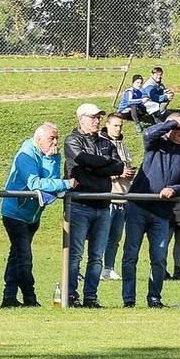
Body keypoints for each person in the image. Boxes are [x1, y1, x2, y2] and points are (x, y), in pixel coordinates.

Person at [121, 112, 180, 307]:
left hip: (162, 213)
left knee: (159, 258)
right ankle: (129, 299)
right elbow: (147, 134)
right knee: (131, 255)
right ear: (169, 128)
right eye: (178, 128)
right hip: (138, 207)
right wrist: (171, 122)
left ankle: (155, 298)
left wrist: (174, 189)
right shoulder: (155, 145)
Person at [0, 122, 73, 307]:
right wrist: (67, 184)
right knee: (24, 256)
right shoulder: (26, 155)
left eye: (57, 137)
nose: (55, 142)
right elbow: (35, 183)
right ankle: (29, 297)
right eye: (51, 138)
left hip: (33, 215)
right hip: (15, 213)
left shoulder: (51, 154)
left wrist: (51, 160)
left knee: (16, 255)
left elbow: (52, 181)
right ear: (38, 139)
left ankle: (9, 297)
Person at [63, 103, 123, 307]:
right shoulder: (72, 140)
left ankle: (91, 296)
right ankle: (71, 295)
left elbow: (119, 165)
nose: (97, 120)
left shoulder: (106, 143)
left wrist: (93, 166)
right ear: (81, 118)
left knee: (97, 256)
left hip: (103, 205)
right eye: (93, 117)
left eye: (99, 117)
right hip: (80, 204)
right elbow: (80, 158)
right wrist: (105, 166)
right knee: (75, 255)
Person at [100, 111, 134, 282]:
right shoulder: (100, 145)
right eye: (115, 125)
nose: (118, 128)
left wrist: (129, 174)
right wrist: (117, 173)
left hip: (123, 197)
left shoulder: (124, 147)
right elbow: (100, 170)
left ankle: (108, 268)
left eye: (120, 125)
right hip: (108, 197)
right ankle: (95, 267)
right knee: (101, 235)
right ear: (107, 125)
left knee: (115, 237)